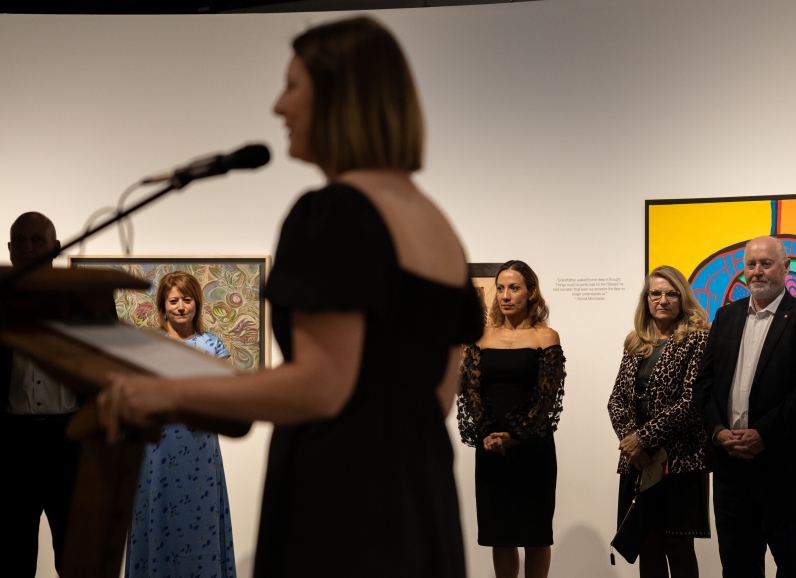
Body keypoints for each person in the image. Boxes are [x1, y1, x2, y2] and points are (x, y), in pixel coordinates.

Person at [96, 16, 484, 577]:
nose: (279, 106)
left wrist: (166, 393)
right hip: (421, 503)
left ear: (339, 96)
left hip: (341, 510)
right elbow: (439, 397)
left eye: (293, 86)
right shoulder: (438, 227)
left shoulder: (331, 213)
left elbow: (322, 387)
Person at [692, 235, 796, 578]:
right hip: (730, 467)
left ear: (785, 268)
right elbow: (704, 386)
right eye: (751, 264)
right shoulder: (725, 317)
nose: (757, 272)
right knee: (737, 565)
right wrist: (717, 432)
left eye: (766, 264)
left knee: (793, 563)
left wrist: (763, 434)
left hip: (784, 465)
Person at [457, 260, 565, 578]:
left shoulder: (546, 336)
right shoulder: (481, 336)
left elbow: (547, 397)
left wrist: (514, 435)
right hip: (491, 448)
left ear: (531, 293)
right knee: (499, 535)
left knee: (535, 533)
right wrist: (490, 433)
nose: (505, 295)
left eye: (514, 288)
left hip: (532, 448)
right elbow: (470, 391)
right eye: (501, 288)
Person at [125, 271, 236, 578]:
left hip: (200, 447)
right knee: (157, 517)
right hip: (157, 447)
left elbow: (225, 396)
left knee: (200, 521)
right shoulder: (148, 345)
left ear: (197, 304)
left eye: (187, 300)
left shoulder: (213, 345)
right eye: (173, 300)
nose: (181, 307)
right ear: (163, 306)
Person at [608, 266, 711, 578]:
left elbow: (691, 403)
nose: (663, 300)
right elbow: (617, 400)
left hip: (680, 462)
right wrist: (631, 441)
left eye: (671, 294)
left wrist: (643, 439)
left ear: (682, 298)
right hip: (638, 464)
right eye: (656, 294)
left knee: (678, 550)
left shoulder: (698, 339)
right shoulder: (636, 342)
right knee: (646, 548)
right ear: (647, 299)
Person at [0, 212, 80, 577]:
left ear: (57, 247)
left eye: (38, 240)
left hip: (70, 440)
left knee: (76, 553)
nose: (30, 247)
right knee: (12, 553)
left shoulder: (84, 298)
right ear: (10, 249)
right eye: (22, 241)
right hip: (12, 445)